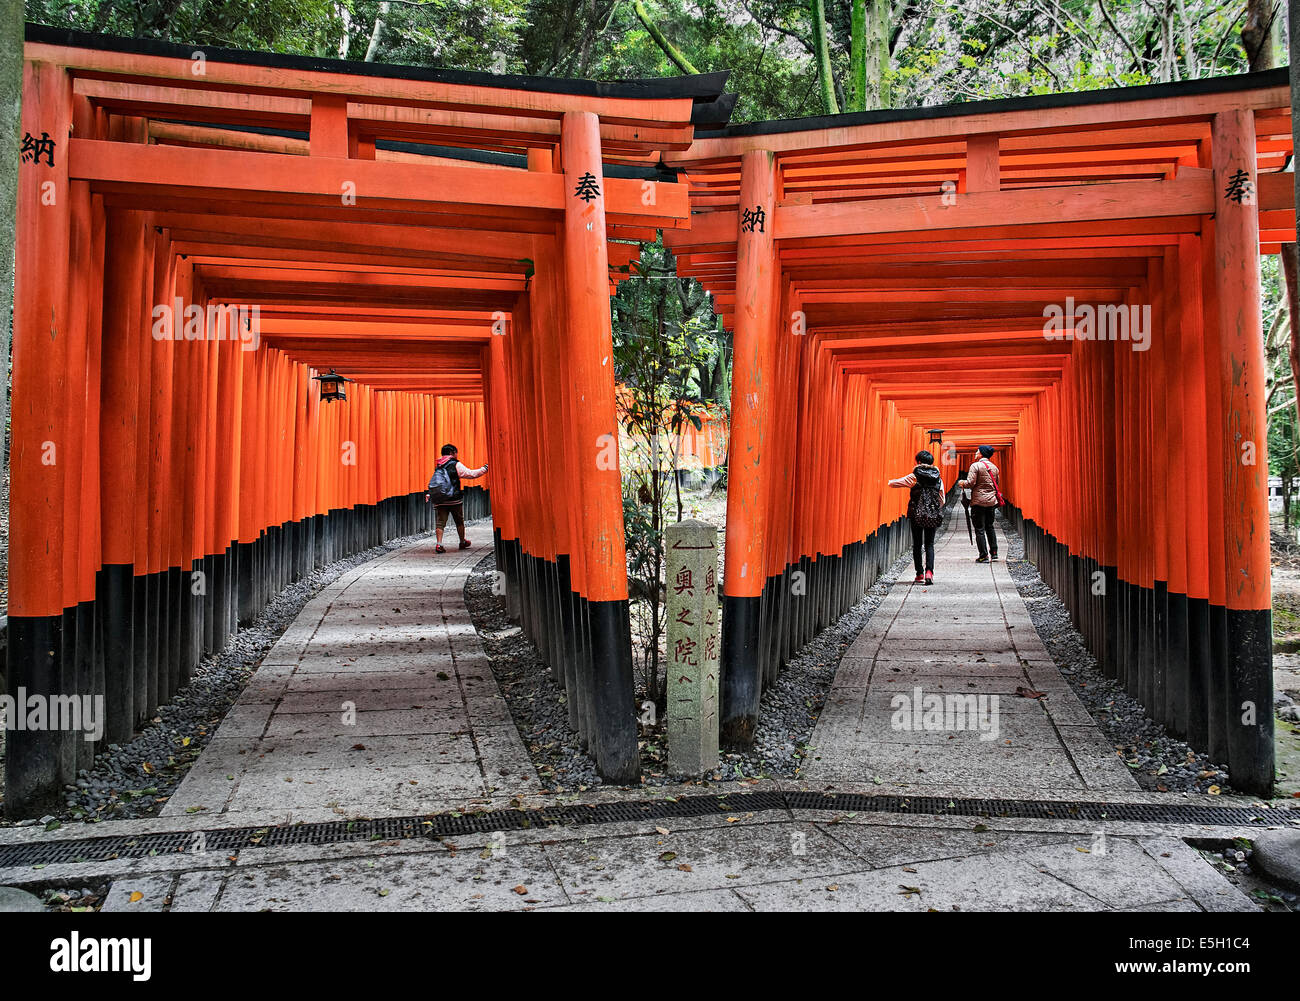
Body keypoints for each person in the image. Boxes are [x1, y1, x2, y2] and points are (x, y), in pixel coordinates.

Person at [889, 450, 946, 585]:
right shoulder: (938, 477)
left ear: (919, 462)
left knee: (917, 544)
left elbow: (895, 483)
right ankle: (929, 572)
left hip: (916, 514)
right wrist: (933, 508)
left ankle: (919, 573)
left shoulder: (914, 476)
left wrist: (883, 481)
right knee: (930, 544)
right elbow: (942, 498)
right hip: (932, 515)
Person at [427, 443, 488, 553]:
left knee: (440, 522)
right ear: (452, 453)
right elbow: (470, 474)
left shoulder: (439, 465)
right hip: (454, 498)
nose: (456, 455)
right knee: (459, 521)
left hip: (440, 498)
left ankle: (439, 544)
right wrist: (484, 469)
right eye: (456, 453)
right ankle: (462, 541)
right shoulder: (455, 464)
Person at [958, 445, 1001, 563]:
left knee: (979, 528)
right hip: (991, 501)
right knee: (990, 526)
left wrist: (962, 483)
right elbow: (996, 484)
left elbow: (970, 483)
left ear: (981, 453)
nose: (976, 453)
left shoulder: (975, 466)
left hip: (978, 502)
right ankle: (994, 552)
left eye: (977, 451)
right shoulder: (995, 468)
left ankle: (983, 555)